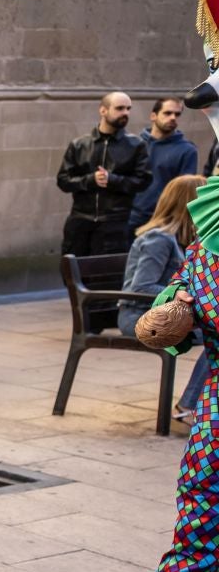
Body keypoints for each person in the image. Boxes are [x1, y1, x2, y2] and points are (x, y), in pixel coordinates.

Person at [55, 164, 219, 572]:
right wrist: (175, 317)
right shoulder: (209, 246)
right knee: (201, 546)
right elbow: (174, 321)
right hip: (215, 436)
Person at [119, 174, 211, 422]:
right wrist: (184, 294)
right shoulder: (158, 239)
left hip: (165, 314)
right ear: (191, 203)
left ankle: (193, 404)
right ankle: (189, 406)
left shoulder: (182, 240)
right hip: (140, 317)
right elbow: (141, 287)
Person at [58, 90, 151, 256]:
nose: (125, 113)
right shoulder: (80, 144)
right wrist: (90, 180)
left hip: (115, 222)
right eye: (120, 108)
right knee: (72, 273)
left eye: (128, 108)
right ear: (103, 110)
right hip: (80, 221)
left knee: (106, 277)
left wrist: (113, 180)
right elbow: (63, 180)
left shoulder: (136, 145)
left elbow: (143, 181)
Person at [130, 96, 200, 232]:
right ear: (153, 116)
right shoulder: (135, 145)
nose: (173, 117)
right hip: (130, 217)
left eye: (177, 114)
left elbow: (184, 191)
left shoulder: (187, 150)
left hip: (163, 222)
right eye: (167, 113)